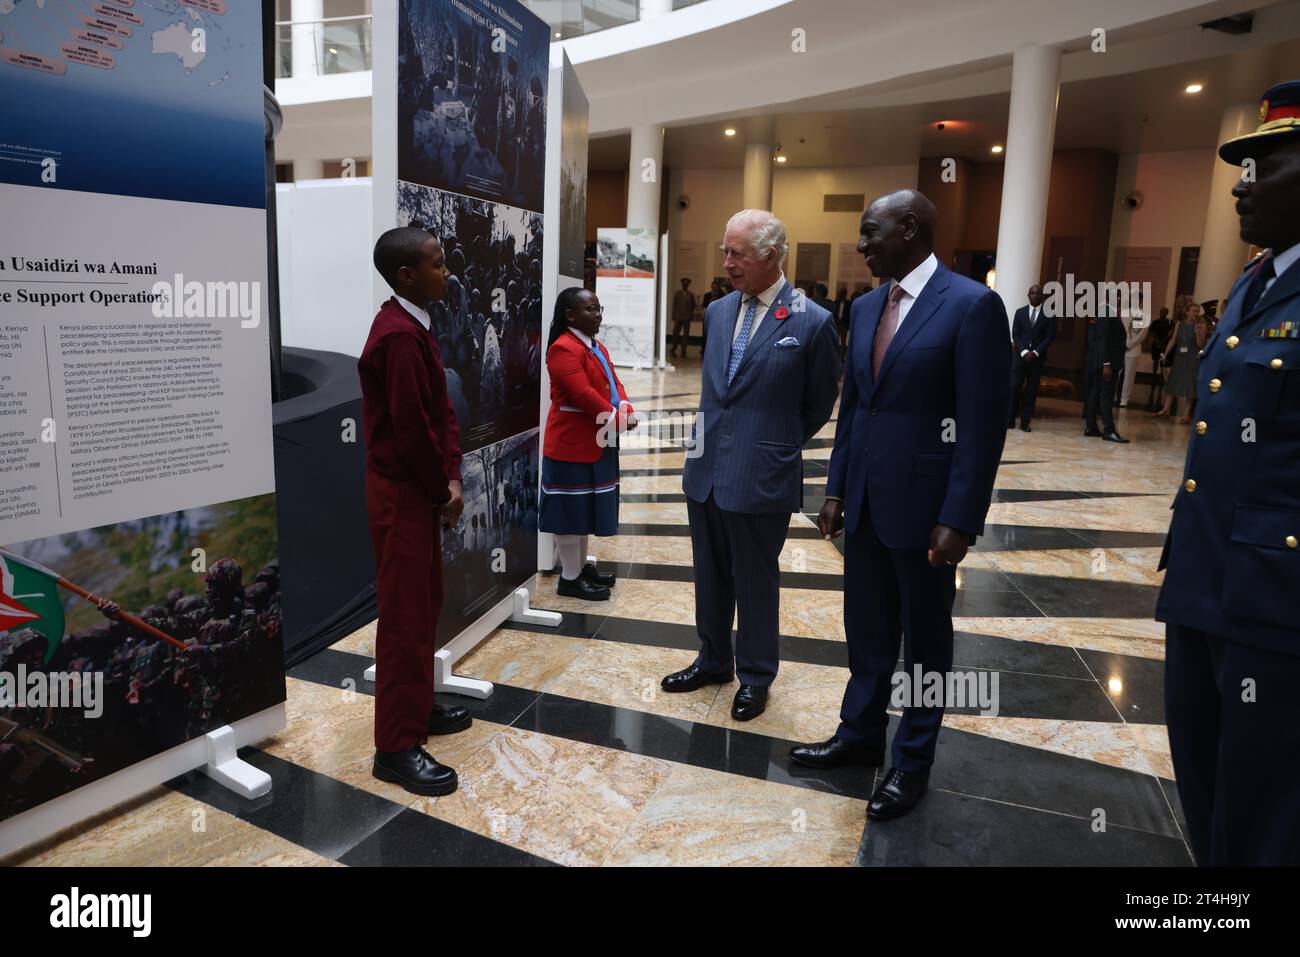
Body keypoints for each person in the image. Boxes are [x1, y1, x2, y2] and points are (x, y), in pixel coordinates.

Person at [789, 190, 1009, 821]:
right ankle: (859, 736)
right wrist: (835, 489)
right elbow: (856, 408)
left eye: (870, 232)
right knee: (867, 631)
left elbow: (983, 423)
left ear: (909, 229)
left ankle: (912, 761)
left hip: (927, 513)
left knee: (926, 644)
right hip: (864, 506)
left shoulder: (972, 306)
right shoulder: (863, 307)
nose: (861, 246)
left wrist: (960, 518)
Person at [1157, 80, 1300, 866]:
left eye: (1267, 164)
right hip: (1208, 581)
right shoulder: (1255, 282)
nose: (1242, 183)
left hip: (1277, 602)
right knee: (1209, 786)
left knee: (1266, 802)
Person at [661, 210, 840, 721]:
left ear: (771, 255)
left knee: (756, 579)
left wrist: (772, 444)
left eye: (737, 253)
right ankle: (713, 659)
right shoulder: (718, 312)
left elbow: (818, 404)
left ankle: (756, 675)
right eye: (726, 251)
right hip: (706, 471)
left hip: (761, 476)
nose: (727, 263)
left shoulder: (812, 320)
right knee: (710, 574)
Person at [358, 227, 471, 798]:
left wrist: (450, 474)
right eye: (438, 265)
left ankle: (417, 708)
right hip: (403, 492)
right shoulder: (397, 336)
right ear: (407, 275)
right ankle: (395, 746)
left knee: (423, 604)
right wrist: (440, 488)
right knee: (403, 615)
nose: (446, 272)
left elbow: (440, 414)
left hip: (420, 488)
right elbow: (410, 429)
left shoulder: (416, 324)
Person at [539, 287, 636, 600]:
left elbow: (613, 382)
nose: (598, 315)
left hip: (597, 440)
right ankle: (569, 578)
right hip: (572, 445)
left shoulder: (595, 346)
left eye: (599, 308)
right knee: (570, 511)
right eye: (591, 309)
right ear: (570, 315)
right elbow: (582, 394)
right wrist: (616, 417)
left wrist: (625, 408)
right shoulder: (563, 348)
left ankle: (579, 568)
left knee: (584, 509)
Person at [1007, 283, 1057, 431]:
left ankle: (1025, 422)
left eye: (1038, 293)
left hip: (1037, 359)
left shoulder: (1049, 314)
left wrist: (1035, 352)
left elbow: (1049, 337)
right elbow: (1015, 334)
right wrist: (1023, 351)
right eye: (1033, 293)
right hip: (1020, 358)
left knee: (1031, 390)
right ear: (1028, 295)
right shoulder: (1020, 312)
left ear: (1042, 297)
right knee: (1014, 388)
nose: (1035, 296)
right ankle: (1010, 420)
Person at [1082, 298, 1129, 441]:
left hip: (1103, 363)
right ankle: (1109, 430)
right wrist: (1106, 364)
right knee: (1106, 396)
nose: (1120, 300)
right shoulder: (1107, 313)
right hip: (1107, 364)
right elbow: (1102, 341)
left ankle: (1091, 426)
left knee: (1095, 394)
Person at [1158, 303, 1206, 422]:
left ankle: (1186, 414)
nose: (1196, 313)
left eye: (1197, 311)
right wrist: (1166, 353)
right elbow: (1173, 340)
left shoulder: (1201, 325)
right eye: (1193, 311)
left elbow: (1201, 345)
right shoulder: (1179, 324)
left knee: (1190, 385)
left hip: (1192, 358)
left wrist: (1197, 333)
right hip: (1179, 357)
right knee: (1173, 381)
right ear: (1187, 312)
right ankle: (1166, 409)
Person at [1118, 306, 1149, 408]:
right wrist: (1122, 344)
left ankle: (1124, 399)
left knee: (1129, 376)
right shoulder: (1124, 312)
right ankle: (1113, 396)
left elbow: (1141, 334)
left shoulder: (1143, 316)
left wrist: (1129, 345)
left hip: (1133, 349)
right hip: (1120, 347)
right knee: (1116, 373)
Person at [1146, 306, 1173, 409]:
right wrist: (1157, 341)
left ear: (1167, 313)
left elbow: (1170, 334)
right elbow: (1151, 332)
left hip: (1164, 345)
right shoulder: (1155, 322)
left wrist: (1162, 342)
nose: (1162, 313)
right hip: (1156, 345)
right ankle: (1153, 375)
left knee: (1162, 362)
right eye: (1161, 311)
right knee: (1155, 361)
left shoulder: (1169, 322)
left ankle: (1162, 375)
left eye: (1164, 312)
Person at [669, 277, 697, 358]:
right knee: (675, 332)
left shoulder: (691, 295)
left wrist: (691, 315)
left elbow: (693, 305)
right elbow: (674, 305)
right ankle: (674, 347)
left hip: (687, 317)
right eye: (683, 283)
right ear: (681, 284)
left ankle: (683, 349)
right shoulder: (677, 293)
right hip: (678, 316)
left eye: (686, 283)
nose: (685, 284)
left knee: (686, 334)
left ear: (688, 285)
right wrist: (673, 315)